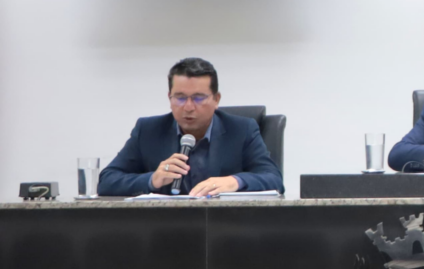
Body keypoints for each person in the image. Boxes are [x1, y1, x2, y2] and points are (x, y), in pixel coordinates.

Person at [99, 58, 285, 197]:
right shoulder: (148, 130)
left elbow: (274, 179)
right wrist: (152, 180)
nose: (188, 107)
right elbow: (107, 180)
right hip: (163, 226)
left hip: (225, 226)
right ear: (169, 98)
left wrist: (235, 181)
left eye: (198, 98)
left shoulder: (242, 130)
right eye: (180, 98)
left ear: (216, 99)